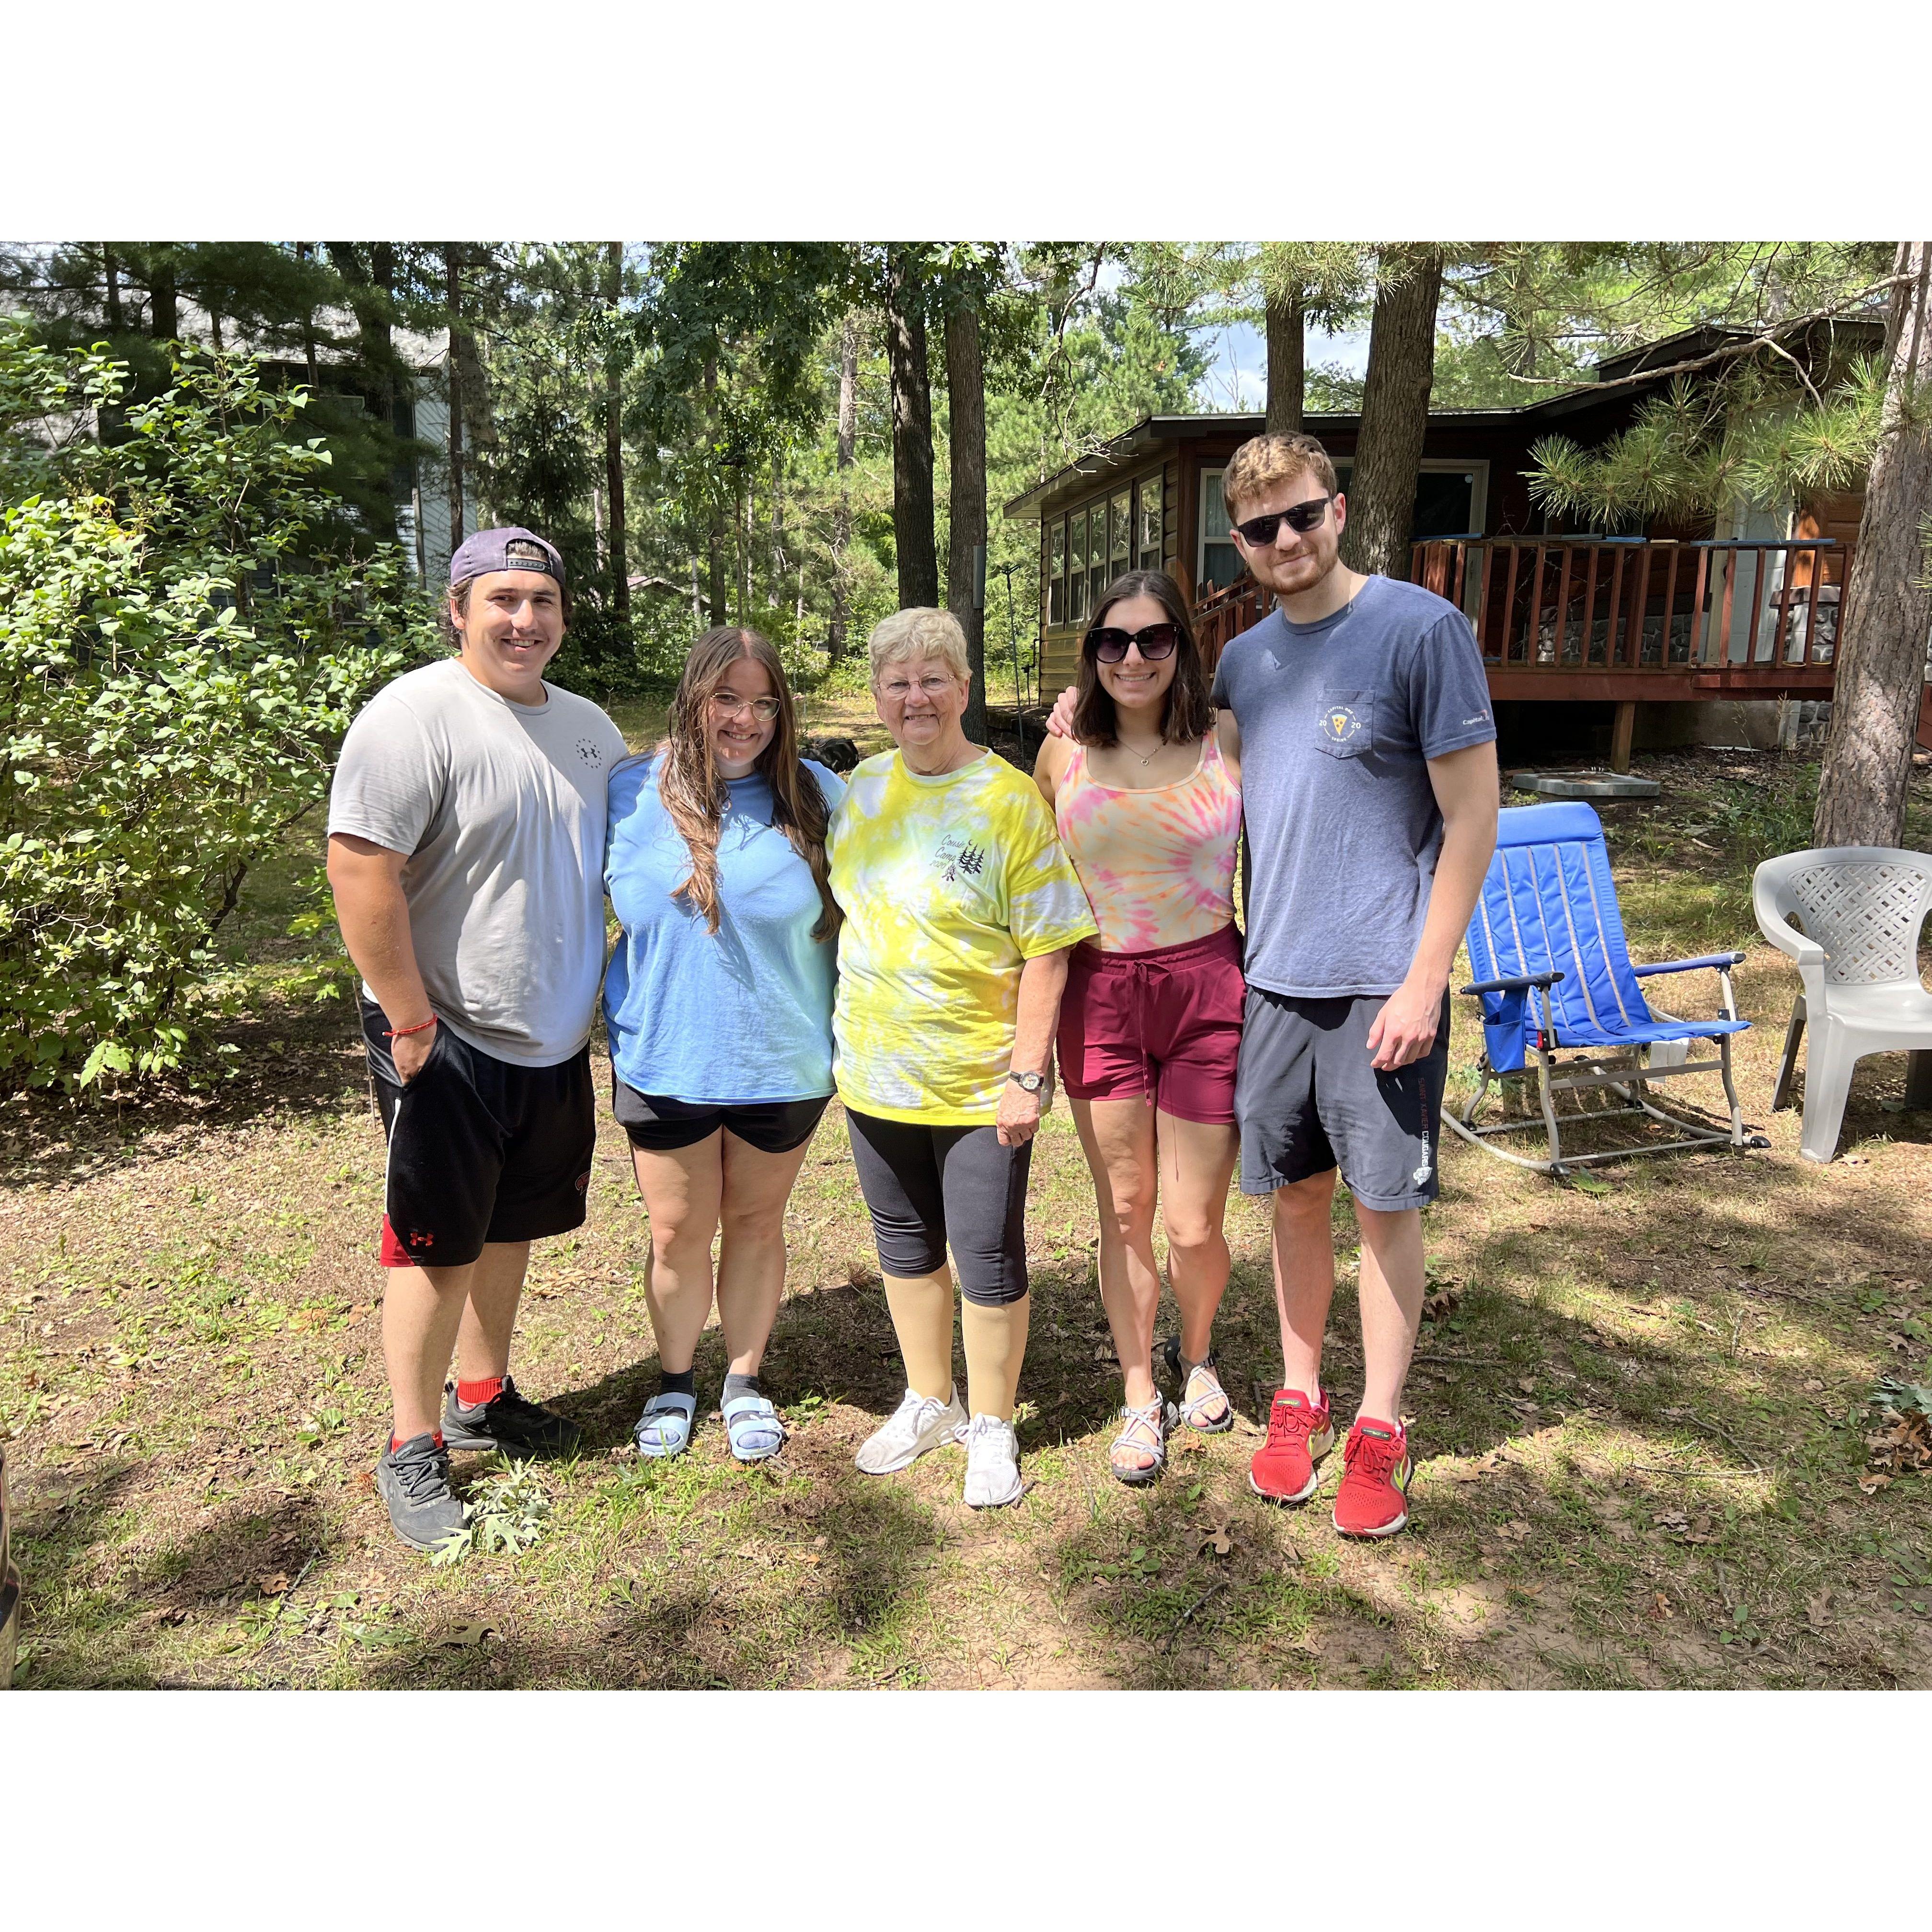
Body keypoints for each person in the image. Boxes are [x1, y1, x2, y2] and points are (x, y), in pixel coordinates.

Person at [1052, 433, 1498, 1538]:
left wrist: (1426, 980)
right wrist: (1076, 717)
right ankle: (1300, 1396)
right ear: (1239, 542)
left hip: (1382, 987)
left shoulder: (1421, 631)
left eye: (1302, 516)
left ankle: (1381, 1426)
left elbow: (1474, 816)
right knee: (1295, 1199)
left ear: (1338, 512)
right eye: (1260, 528)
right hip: (1270, 986)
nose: (1284, 540)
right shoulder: (1246, 666)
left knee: (1383, 1207)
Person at [328, 528, 629, 1552]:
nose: (523, 619)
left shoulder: (588, 729)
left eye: (542, 601)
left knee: (509, 1225)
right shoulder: (414, 715)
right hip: (444, 1030)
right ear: (457, 610)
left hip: (552, 1035)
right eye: (502, 599)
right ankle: (412, 1443)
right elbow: (359, 867)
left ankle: (481, 1397)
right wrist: (410, 1018)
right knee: (433, 1240)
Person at [830, 608, 1097, 1508]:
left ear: (964, 688)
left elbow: (1049, 949)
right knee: (904, 1246)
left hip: (981, 1082)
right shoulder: (863, 790)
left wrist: (1028, 1075)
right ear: (878, 696)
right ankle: (929, 1399)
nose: (917, 698)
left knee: (986, 1255)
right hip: (876, 1073)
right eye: (898, 683)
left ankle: (992, 1422)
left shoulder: (1009, 799)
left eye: (933, 679)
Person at [603, 627, 844, 1463]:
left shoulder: (816, 794)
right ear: (693, 698)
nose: (746, 719)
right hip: (665, 1054)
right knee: (677, 1231)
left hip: (783, 1060)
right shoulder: (627, 791)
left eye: (765, 703)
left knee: (754, 1222)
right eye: (727, 699)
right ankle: (675, 1380)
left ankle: (743, 1381)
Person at [1034, 570, 1245, 1485]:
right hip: (1101, 990)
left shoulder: (1226, 737)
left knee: (1193, 1223)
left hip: (1207, 988)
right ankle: (1137, 1390)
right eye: (1112, 641)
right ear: (1091, 652)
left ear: (1182, 648)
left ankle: (1195, 1356)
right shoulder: (1062, 752)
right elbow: (1034, 885)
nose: (1132, 658)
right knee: (1124, 1211)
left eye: (1154, 639)